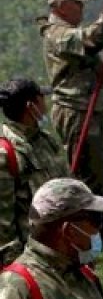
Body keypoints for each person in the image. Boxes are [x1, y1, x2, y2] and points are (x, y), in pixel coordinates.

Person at [39, 0, 103, 247]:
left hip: (86, 108)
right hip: (74, 109)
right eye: (77, 3)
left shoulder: (67, 30)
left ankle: (102, 226)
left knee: (99, 169)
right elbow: (92, 39)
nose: (82, 7)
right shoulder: (57, 34)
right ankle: (84, 230)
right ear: (61, 6)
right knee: (84, 172)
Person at [0, 78, 70, 266]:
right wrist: (14, 268)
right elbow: (3, 226)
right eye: (42, 99)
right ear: (31, 106)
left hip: (57, 249)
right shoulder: (6, 153)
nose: (46, 105)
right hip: (30, 258)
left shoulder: (45, 141)